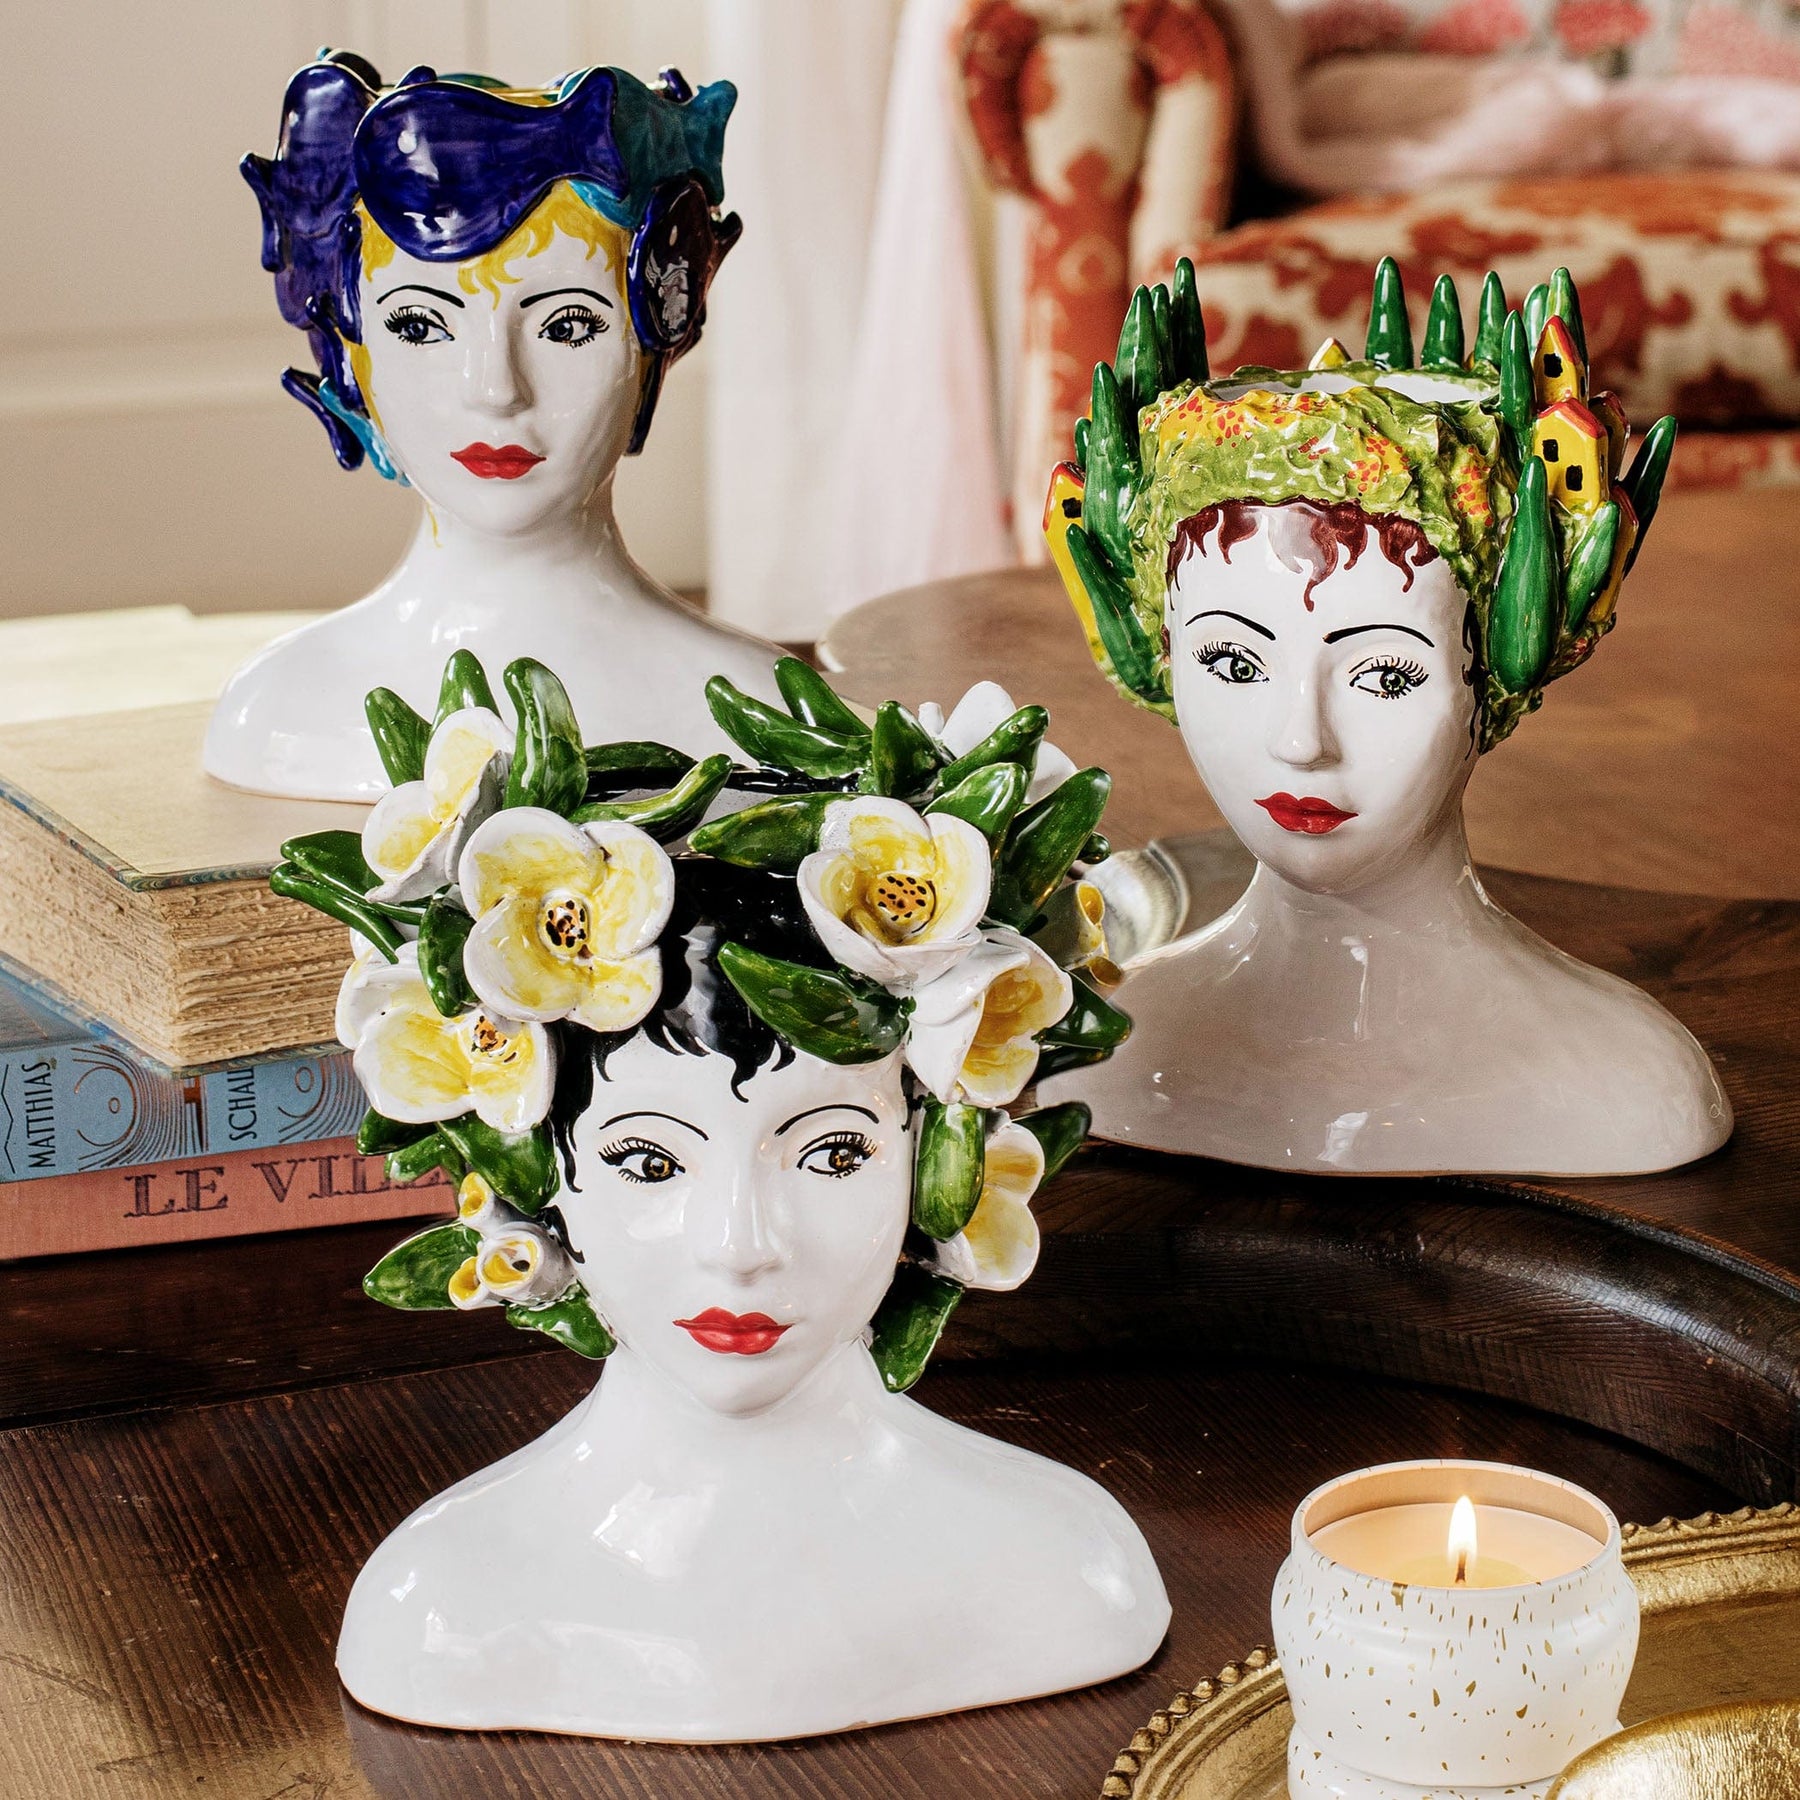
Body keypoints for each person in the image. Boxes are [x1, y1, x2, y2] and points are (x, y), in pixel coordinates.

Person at [278, 650, 1166, 1739]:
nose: (742, 1245)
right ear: (538, 1163)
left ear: (944, 1141)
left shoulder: (1066, 1573)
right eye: (651, 1164)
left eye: (831, 1155)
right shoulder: (442, 1611)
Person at [1044, 259, 1730, 1174]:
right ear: (1158, 651)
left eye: (1385, 676)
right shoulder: (1099, 1053)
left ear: (1495, 675)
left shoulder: (1631, 1092)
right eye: (1233, 663)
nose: (1300, 742)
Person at [207, 53, 779, 802]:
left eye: (567, 326)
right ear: (353, 351)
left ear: (654, 346)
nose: (496, 390)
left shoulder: (755, 708)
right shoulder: (276, 711)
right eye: (420, 325)